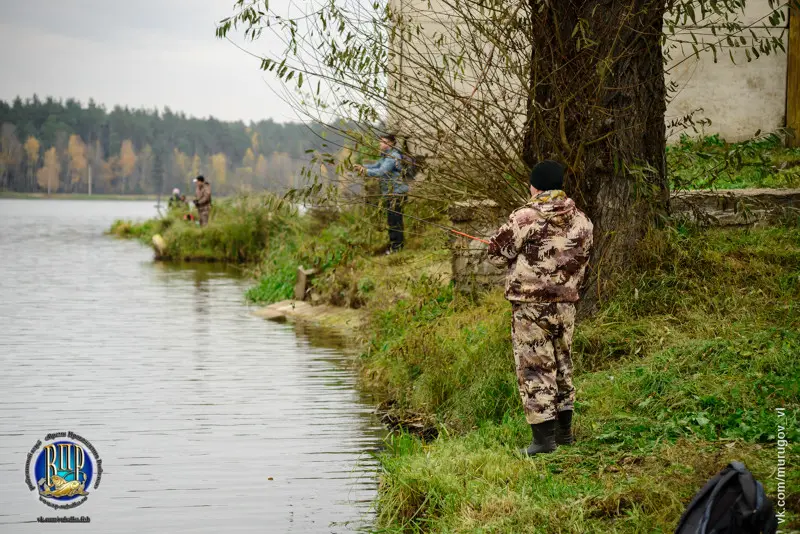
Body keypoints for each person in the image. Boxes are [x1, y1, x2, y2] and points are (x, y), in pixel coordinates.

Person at [487, 160, 593, 457]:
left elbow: (496, 254)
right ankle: (565, 435)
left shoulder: (524, 217)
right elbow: (583, 260)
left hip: (530, 308)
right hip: (565, 306)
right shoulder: (583, 220)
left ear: (534, 186)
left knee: (535, 367)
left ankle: (543, 441)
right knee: (562, 364)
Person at [354, 133, 408, 254]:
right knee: (392, 221)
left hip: (396, 194)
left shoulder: (392, 157)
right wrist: (363, 167)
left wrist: (365, 171)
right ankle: (395, 246)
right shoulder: (385, 156)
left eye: (383, 141)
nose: (380, 144)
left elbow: (381, 171)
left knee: (395, 222)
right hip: (391, 193)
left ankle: (397, 248)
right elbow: (376, 165)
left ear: (390, 143)